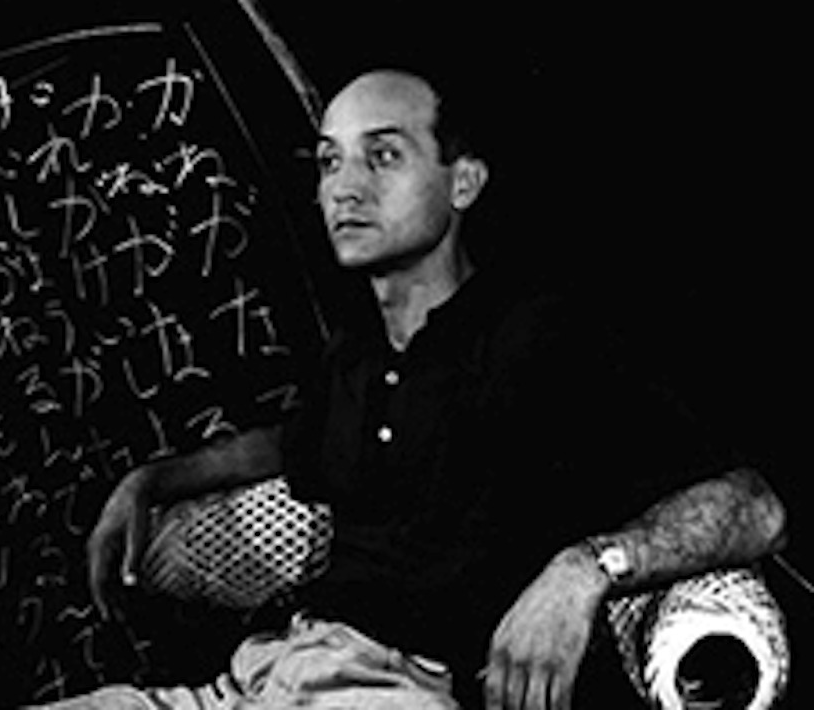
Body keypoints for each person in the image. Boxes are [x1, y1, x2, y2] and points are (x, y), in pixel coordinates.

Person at [43, 69, 788, 710]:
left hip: (398, 688)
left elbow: (757, 507)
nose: (345, 187)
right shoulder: (357, 352)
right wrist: (151, 480)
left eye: (383, 155)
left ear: (463, 182)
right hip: (259, 676)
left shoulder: (535, 339)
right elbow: (292, 445)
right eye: (329, 161)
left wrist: (585, 569)